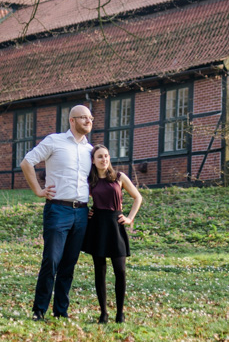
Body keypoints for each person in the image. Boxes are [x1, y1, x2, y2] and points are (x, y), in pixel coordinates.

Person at [20, 105, 94, 321]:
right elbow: (27, 162)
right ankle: (39, 310)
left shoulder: (90, 150)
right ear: (72, 120)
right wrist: (38, 190)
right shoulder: (54, 141)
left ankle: (61, 311)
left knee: (69, 264)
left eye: (90, 118)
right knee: (51, 260)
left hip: (81, 213)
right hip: (58, 209)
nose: (89, 121)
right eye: (84, 118)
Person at [82, 145, 143, 324]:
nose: (104, 159)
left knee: (120, 270)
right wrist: (85, 211)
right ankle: (103, 313)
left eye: (106, 156)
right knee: (99, 271)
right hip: (97, 226)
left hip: (116, 225)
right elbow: (80, 198)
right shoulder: (89, 180)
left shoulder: (119, 177)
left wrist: (130, 218)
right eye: (100, 157)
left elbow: (137, 197)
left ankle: (120, 313)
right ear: (93, 160)